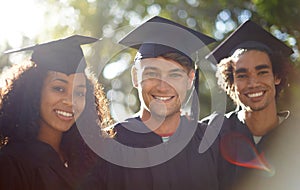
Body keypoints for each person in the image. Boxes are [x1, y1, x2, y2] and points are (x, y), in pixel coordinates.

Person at [81, 16, 230, 190]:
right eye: (152, 73)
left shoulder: (211, 144)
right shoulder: (108, 146)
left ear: (190, 79)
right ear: (135, 77)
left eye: (175, 75)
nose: (162, 86)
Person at [0, 35, 113, 190]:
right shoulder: (11, 163)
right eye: (59, 88)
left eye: (79, 93)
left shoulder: (86, 158)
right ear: (34, 91)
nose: (70, 101)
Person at [204, 20, 296, 189]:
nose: (253, 83)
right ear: (231, 83)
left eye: (262, 72)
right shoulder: (211, 133)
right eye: (242, 75)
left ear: (277, 77)